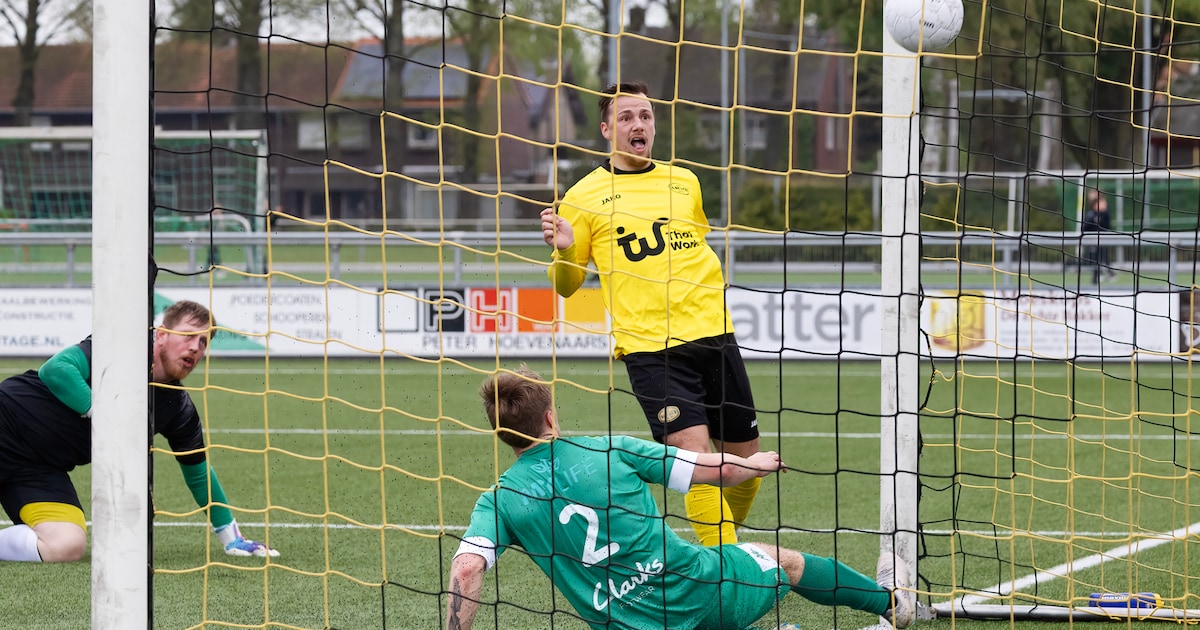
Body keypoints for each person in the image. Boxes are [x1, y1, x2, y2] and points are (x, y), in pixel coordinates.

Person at [444, 367, 914, 630]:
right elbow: (720, 469)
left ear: (502, 435)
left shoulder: (499, 499)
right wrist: (756, 462)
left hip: (628, 627)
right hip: (700, 593)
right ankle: (891, 604)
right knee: (784, 563)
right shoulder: (611, 448)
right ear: (550, 416)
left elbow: (466, 570)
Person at [539, 81, 760, 547]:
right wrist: (562, 249)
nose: (637, 124)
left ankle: (719, 561)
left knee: (746, 468)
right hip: (650, 348)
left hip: (714, 333)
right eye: (625, 118)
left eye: (645, 116)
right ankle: (725, 582)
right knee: (698, 462)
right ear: (606, 130)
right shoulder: (582, 196)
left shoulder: (686, 182)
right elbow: (566, 286)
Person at [0, 300, 278, 562]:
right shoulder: (120, 347)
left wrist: (232, 538)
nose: (196, 347)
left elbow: (199, 473)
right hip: (5, 422)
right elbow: (56, 369)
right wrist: (104, 415)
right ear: (160, 335)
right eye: (188, 336)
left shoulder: (178, 410)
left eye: (204, 342)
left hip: (38, 471)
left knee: (66, 545)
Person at [1081, 189, 1112, 283]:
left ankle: (1108, 273)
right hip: (1092, 240)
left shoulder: (1104, 215)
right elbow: (1084, 227)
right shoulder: (1091, 214)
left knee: (1103, 257)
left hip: (1103, 239)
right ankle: (1098, 276)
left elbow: (1107, 225)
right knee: (1094, 258)